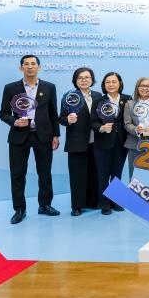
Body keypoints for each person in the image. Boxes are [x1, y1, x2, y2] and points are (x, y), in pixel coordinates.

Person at [0, 55, 61, 224]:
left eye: (33, 64)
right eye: (26, 64)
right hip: (19, 137)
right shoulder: (11, 88)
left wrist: (56, 135)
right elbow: (3, 113)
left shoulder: (49, 87)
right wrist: (14, 121)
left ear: (39, 67)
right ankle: (19, 209)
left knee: (45, 173)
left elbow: (53, 113)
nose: (30, 66)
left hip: (43, 136)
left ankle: (45, 205)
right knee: (18, 174)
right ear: (21, 68)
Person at [58, 67, 101, 216]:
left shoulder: (98, 95)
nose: (84, 80)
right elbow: (61, 119)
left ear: (92, 79)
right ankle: (77, 206)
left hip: (96, 142)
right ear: (75, 81)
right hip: (77, 142)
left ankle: (93, 201)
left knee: (94, 174)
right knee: (77, 176)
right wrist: (68, 120)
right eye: (80, 78)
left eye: (87, 77)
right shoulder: (69, 96)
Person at [91, 72, 131, 215]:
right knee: (103, 173)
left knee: (117, 173)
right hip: (102, 143)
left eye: (114, 82)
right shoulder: (98, 100)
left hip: (121, 142)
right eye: (108, 82)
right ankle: (104, 203)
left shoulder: (127, 99)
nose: (111, 84)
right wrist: (100, 127)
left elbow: (131, 119)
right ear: (104, 85)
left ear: (120, 83)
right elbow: (93, 121)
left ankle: (116, 201)